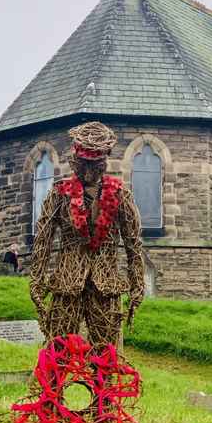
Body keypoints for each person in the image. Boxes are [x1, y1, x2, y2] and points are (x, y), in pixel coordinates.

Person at [29, 121, 145, 351]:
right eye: (83, 165)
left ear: (104, 162)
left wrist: (137, 287)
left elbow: (134, 245)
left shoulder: (121, 194)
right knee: (56, 350)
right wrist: (36, 283)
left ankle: (105, 386)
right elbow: (43, 239)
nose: (89, 172)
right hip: (66, 285)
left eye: (96, 165)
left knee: (107, 355)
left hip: (106, 286)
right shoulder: (59, 194)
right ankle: (51, 386)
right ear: (74, 161)